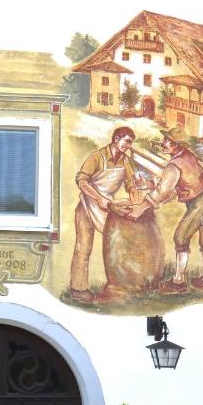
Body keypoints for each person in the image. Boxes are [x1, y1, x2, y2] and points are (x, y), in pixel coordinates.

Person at [128, 132, 203, 293]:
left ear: (175, 144)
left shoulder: (174, 165)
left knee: (180, 237)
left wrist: (142, 207)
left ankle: (178, 282)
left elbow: (163, 190)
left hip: (199, 203)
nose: (162, 142)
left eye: (166, 141)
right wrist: (151, 186)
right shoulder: (187, 156)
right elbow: (179, 185)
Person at [69, 126, 140, 302]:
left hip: (108, 208)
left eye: (131, 143)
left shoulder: (125, 161)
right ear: (116, 139)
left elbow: (131, 185)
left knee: (117, 246)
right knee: (83, 248)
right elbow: (82, 181)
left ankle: (119, 285)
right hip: (87, 205)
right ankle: (79, 289)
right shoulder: (97, 157)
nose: (128, 146)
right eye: (127, 142)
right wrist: (99, 198)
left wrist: (137, 203)